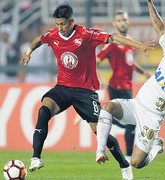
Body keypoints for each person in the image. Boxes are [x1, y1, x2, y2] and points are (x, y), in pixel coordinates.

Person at [20, 4, 154, 178]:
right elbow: (39, 39)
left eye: (63, 24)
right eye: (58, 24)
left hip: (85, 92)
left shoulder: (86, 34)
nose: (60, 28)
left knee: (101, 134)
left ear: (72, 22)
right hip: (63, 87)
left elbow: (113, 38)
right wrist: (29, 51)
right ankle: (36, 158)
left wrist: (138, 45)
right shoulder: (53, 35)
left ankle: (124, 164)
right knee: (44, 109)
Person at [96, 0, 164, 171]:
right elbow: (160, 28)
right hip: (137, 101)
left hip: (153, 116)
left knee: (137, 163)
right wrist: (150, 4)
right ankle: (100, 152)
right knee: (108, 106)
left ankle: (156, 146)